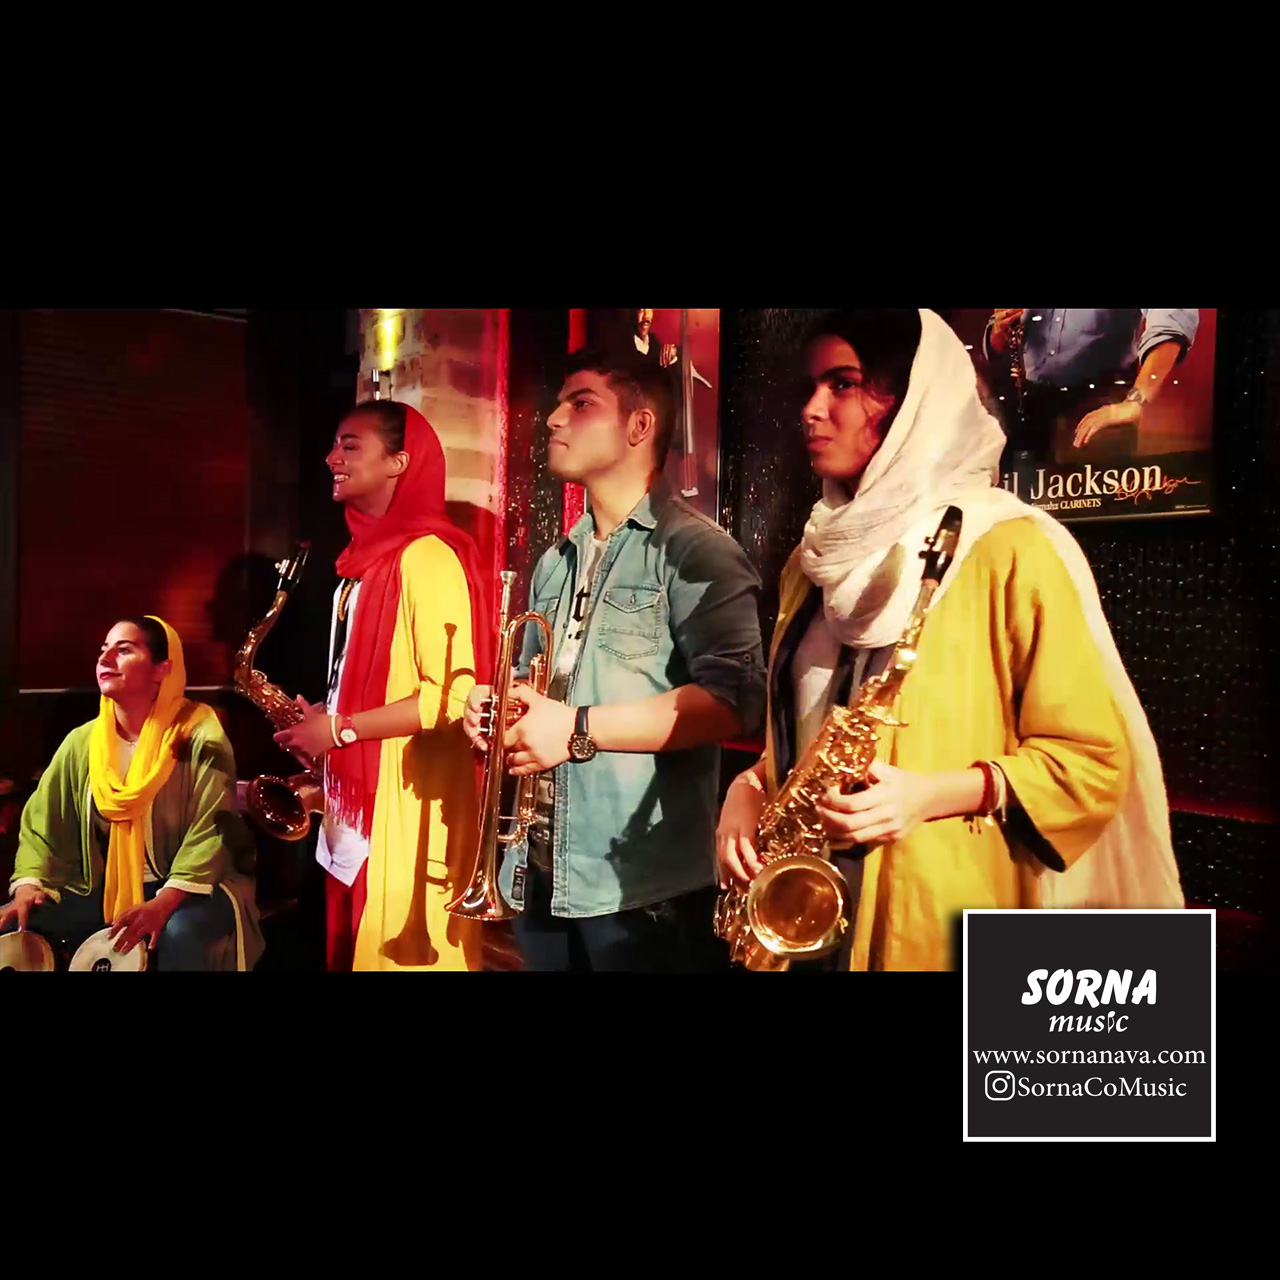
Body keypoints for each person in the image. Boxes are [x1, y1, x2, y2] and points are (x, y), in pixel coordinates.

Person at [715, 308, 1184, 972]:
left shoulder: (1010, 548)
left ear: (914, 398)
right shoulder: (809, 564)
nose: (812, 410)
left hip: (937, 923)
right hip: (802, 919)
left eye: (843, 384)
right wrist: (749, 788)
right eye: (811, 387)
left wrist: (931, 795)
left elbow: (1091, 763)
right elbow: (808, 730)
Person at [462, 349, 765, 972]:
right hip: (539, 866)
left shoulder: (696, 551)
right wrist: (495, 704)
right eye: (559, 403)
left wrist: (574, 728)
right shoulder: (555, 561)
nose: (553, 418)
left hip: (640, 885)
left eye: (581, 403)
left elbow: (735, 703)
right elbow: (537, 686)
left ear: (639, 426)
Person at [273, 399, 491, 972]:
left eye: (350, 446)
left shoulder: (428, 556)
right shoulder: (362, 562)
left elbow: (451, 695)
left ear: (399, 462)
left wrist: (341, 729)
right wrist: (326, 716)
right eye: (333, 445)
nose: (331, 458)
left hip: (405, 806)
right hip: (357, 805)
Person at [1, 616, 262, 971]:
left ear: (162, 669)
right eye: (103, 650)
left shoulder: (198, 735)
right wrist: (28, 888)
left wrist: (163, 903)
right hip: (101, 886)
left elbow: (212, 830)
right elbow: (42, 824)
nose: (105, 659)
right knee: (15, 923)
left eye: (123, 650)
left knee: (180, 932)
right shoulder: (82, 742)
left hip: (193, 886)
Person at [983, 308, 1199, 464]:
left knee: (1095, 505)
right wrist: (998, 332)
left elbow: (1172, 321)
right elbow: (997, 339)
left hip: (1100, 402)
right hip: (1029, 403)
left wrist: (1136, 401)